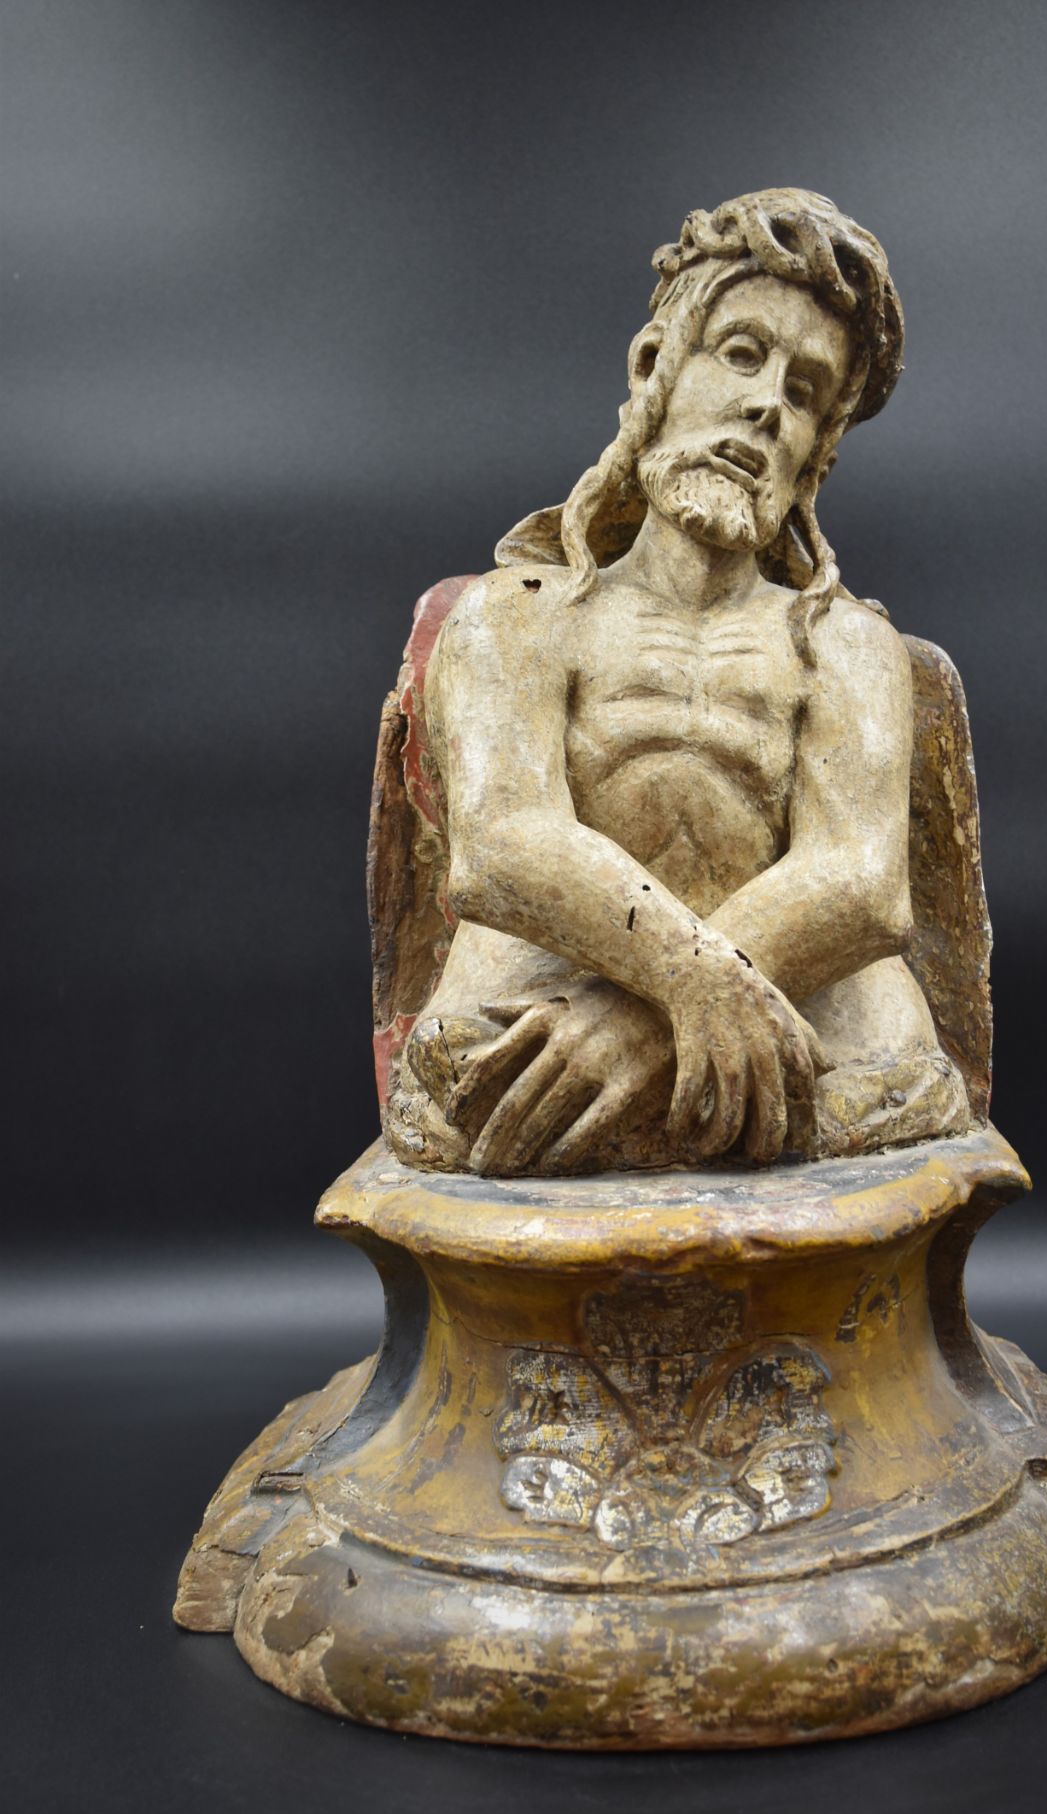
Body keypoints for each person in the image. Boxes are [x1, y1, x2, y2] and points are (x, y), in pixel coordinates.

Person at [386, 189, 969, 1176]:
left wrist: (642, 1027)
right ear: (656, 368)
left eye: (805, 393)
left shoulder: (846, 645)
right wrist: (692, 982)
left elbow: (865, 887)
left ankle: (656, 1106)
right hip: (539, 1000)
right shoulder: (517, 613)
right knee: (459, 1088)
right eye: (742, 354)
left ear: (815, 455)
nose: (764, 407)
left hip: (813, 1007)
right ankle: (719, 1112)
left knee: (907, 1075)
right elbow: (500, 847)